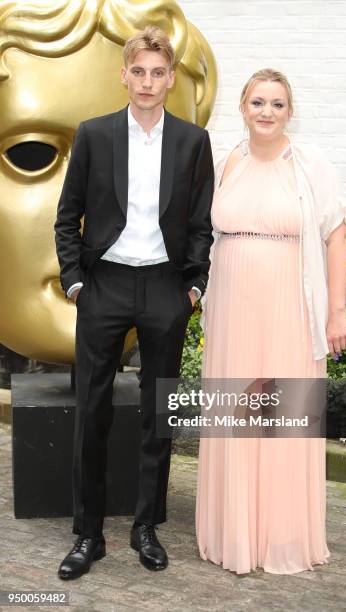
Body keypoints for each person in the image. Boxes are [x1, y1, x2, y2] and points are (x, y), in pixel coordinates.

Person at [54, 26, 214, 580]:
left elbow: (200, 224)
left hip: (166, 290)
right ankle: (87, 534)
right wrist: (75, 282)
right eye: (139, 71)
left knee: (157, 415)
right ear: (124, 75)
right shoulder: (94, 135)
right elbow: (67, 214)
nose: (148, 82)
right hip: (106, 288)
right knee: (90, 412)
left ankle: (146, 527)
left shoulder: (193, 142)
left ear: (171, 79)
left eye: (158, 72)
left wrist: (193, 288)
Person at [196, 68, 346, 575]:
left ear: (290, 111)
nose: (267, 112)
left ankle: (282, 535)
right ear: (242, 107)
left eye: (277, 104)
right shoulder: (226, 162)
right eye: (258, 102)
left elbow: (336, 239)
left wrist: (336, 311)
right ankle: (234, 533)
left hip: (290, 309)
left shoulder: (311, 165)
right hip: (232, 309)